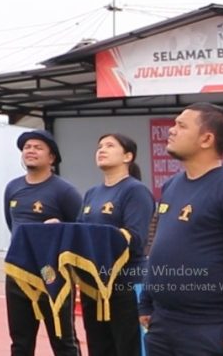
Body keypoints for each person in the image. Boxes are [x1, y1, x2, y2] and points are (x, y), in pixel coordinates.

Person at [140, 103, 223, 356]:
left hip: (208, 328)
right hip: (162, 325)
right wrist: (146, 302)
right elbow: (159, 248)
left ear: (207, 138)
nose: (172, 130)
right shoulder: (171, 186)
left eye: (181, 125)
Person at [3, 128, 82, 356]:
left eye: (38, 147)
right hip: (18, 271)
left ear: (52, 157)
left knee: (62, 339)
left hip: (51, 272)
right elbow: (13, 225)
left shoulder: (64, 190)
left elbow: (80, 228)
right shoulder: (13, 188)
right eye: (27, 147)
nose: (31, 151)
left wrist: (60, 229)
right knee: (20, 341)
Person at [76, 133, 153, 356]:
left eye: (110, 146)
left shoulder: (135, 191)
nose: (102, 150)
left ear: (128, 156)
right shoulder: (92, 193)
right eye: (99, 146)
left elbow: (135, 239)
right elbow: (80, 233)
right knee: (99, 348)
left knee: (129, 348)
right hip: (95, 286)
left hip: (126, 285)